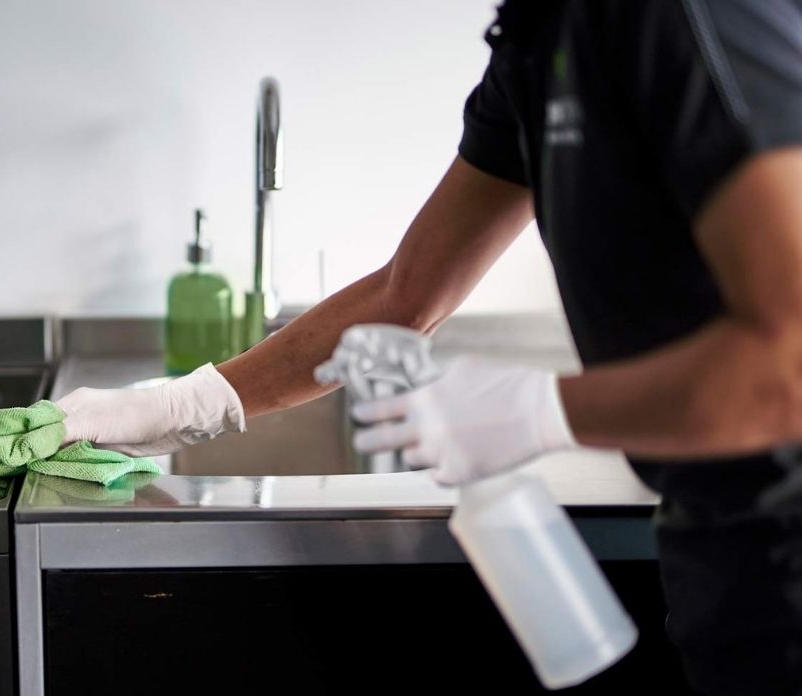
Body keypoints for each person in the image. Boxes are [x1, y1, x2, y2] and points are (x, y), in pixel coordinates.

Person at [56, 1, 802, 691]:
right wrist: (186, 402)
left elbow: (790, 360)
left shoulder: (682, 15)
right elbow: (402, 298)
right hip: (721, 556)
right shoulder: (539, 40)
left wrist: (542, 410)